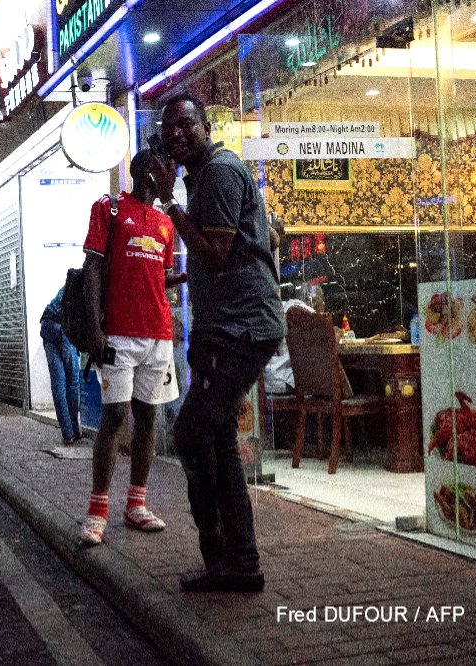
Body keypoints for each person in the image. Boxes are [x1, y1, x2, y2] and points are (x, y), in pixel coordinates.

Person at [160, 92, 285, 593]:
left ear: (206, 126)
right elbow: (225, 254)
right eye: (169, 128)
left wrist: (170, 206)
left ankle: (230, 555)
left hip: (241, 327)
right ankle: (235, 560)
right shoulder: (208, 175)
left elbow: (214, 251)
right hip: (232, 325)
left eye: (185, 125)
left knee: (193, 432)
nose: (176, 135)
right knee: (214, 438)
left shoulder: (217, 172)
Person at [79, 149, 186, 546]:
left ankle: (135, 504)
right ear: (144, 172)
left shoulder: (164, 223)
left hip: (158, 334)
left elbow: (156, 275)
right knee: (114, 418)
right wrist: (94, 328)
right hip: (118, 336)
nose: (170, 177)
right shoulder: (108, 210)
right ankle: (97, 511)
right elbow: (92, 269)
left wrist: (178, 282)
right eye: (165, 170)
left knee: (148, 419)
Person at [39, 285, 82, 445]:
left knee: (58, 382)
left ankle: (68, 433)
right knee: (73, 380)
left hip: (47, 326)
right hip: (64, 329)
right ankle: (75, 428)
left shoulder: (73, 281)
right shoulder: (89, 287)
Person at [264, 285, 315, 395]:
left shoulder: (269, 311)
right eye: (321, 298)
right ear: (309, 298)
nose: (324, 302)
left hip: (265, 385)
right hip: (283, 381)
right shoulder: (300, 311)